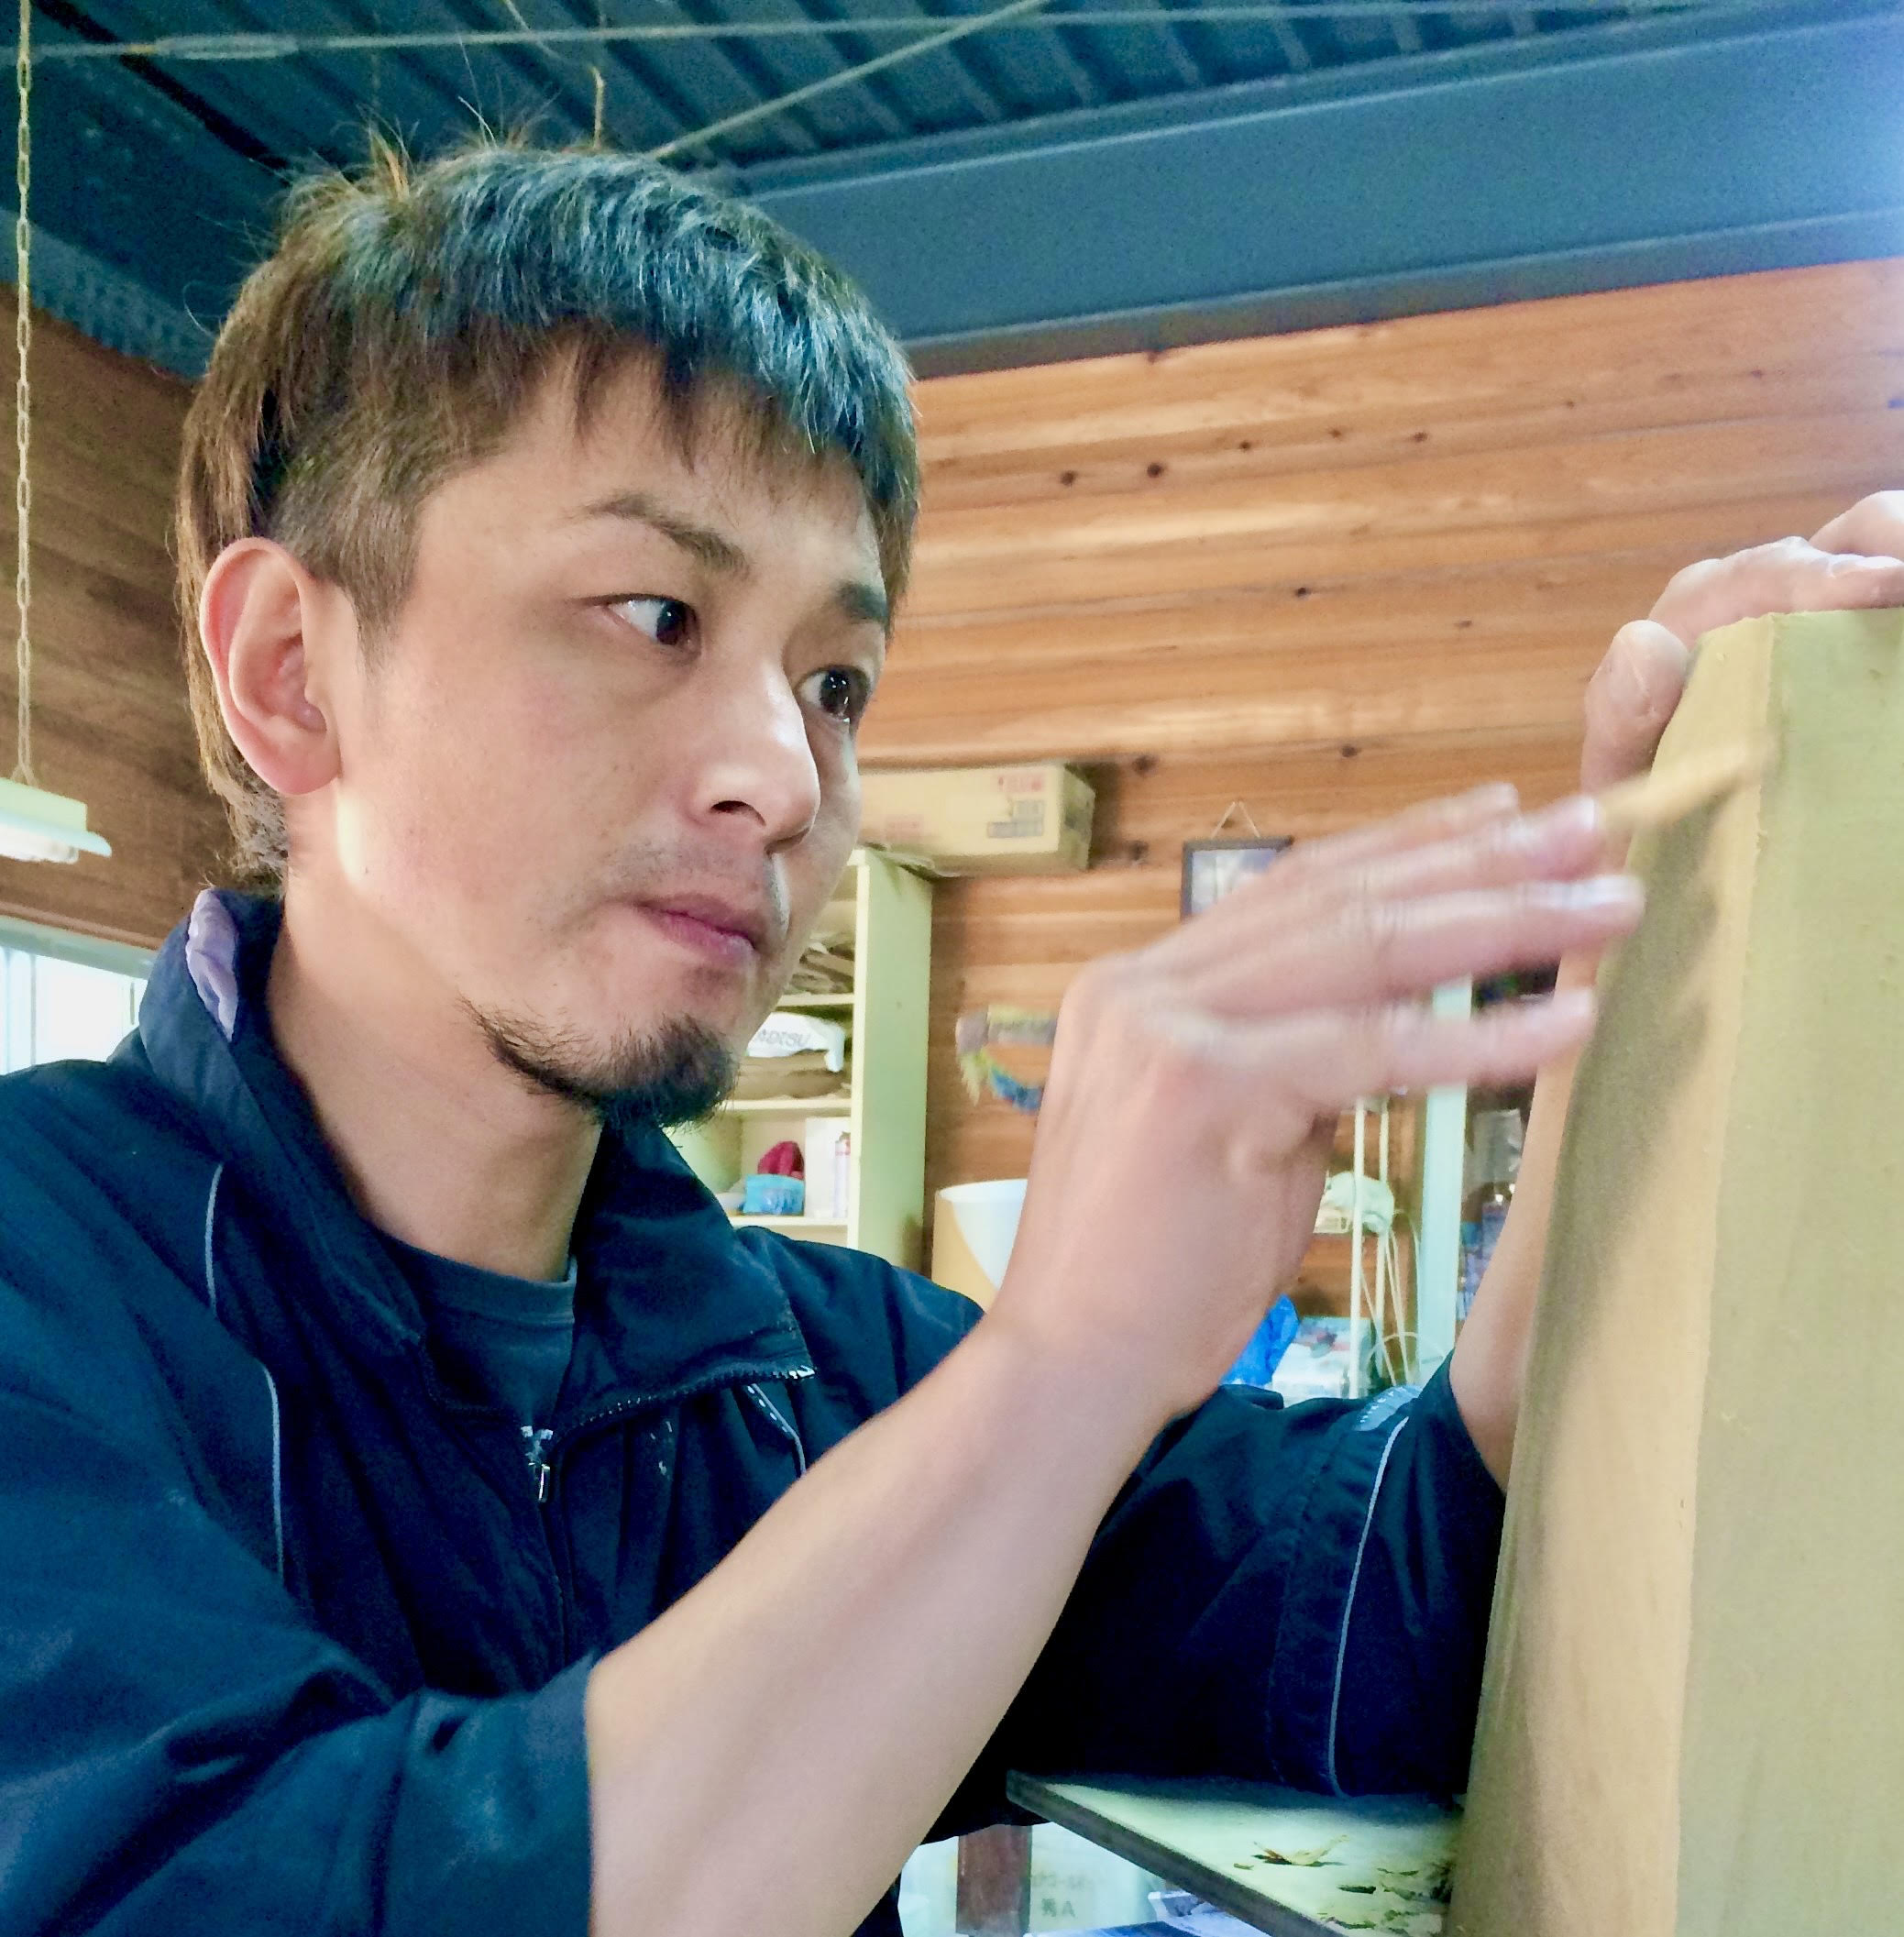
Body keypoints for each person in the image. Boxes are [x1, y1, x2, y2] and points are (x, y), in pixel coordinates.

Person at [0, 139, 1898, 1937]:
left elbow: (1390, 1622)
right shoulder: (45, 1283)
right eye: (651, 612)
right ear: (292, 669)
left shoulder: (801, 1368)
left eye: (834, 680)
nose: (782, 774)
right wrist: (1060, 1370)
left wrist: (1637, 923)